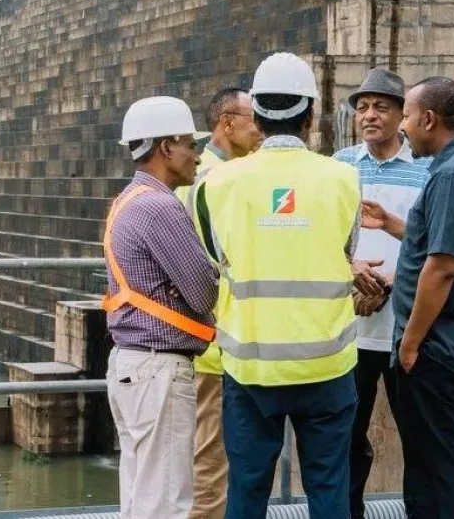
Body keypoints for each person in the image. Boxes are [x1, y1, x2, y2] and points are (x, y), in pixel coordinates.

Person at [201, 52, 362, 519]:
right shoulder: (343, 178)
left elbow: (217, 257)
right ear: (310, 114)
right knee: (330, 490)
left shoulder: (220, 183)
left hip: (251, 367)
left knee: (246, 492)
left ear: (259, 115)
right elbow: (346, 251)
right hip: (327, 367)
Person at [360, 77, 454, 519]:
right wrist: (391, 224)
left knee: (433, 472)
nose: (402, 127)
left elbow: (442, 267)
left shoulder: (450, 176)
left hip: (438, 353)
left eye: (405, 115)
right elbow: (442, 243)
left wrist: (409, 342)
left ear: (429, 119)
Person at [103, 96, 221, 519]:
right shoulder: (160, 208)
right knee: (167, 503)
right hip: (159, 371)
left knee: (140, 498)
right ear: (166, 148)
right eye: (190, 144)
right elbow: (204, 292)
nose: (198, 154)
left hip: (134, 367)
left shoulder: (130, 199)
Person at [332, 68, 430, 519]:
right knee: (347, 440)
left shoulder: (426, 171)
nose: (369, 116)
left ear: (402, 116)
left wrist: (388, 282)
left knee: (419, 436)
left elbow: (432, 243)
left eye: (382, 107)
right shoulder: (338, 167)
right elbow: (319, 236)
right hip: (348, 333)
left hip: (403, 330)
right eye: (362, 107)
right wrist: (349, 269)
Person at [181, 87, 264, 519]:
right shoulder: (213, 181)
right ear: (227, 123)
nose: (262, 128)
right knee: (210, 465)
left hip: (219, 347)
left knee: (213, 461)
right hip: (214, 350)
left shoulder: (213, 173)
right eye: (254, 118)